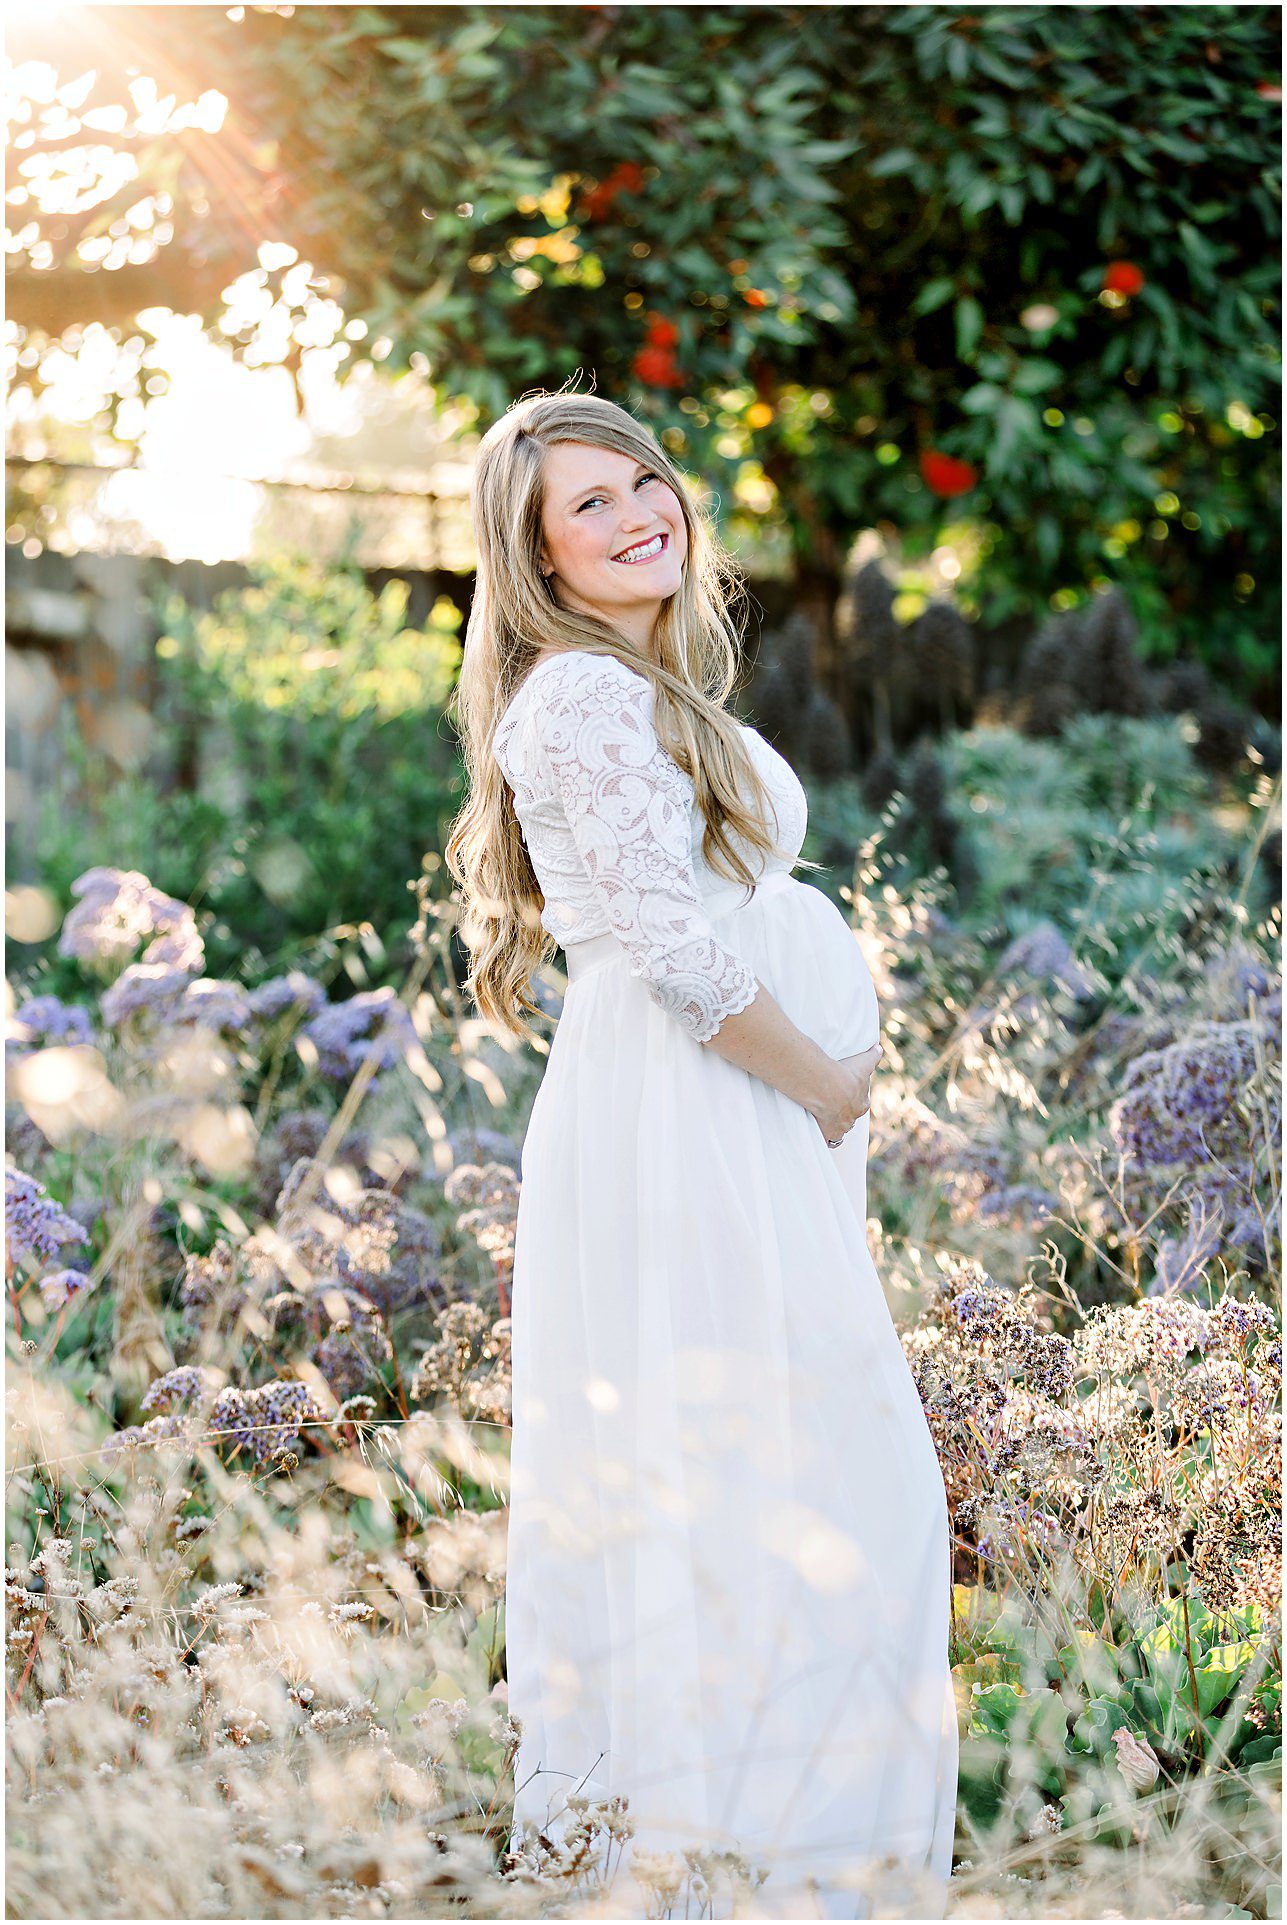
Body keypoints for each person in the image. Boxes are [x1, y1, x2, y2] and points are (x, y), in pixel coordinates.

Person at [445, 389, 958, 1920]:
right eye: (586, 506)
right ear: (536, 556)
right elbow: (676, 951)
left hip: (710, 1120)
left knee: (761, 1464)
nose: (635, 513)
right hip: (693, 1115)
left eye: (644, 480)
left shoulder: (639, 689)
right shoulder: (587, 698)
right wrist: (827, 1085)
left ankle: (770, 1847)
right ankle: (740, 1862)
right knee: (752, 1467)